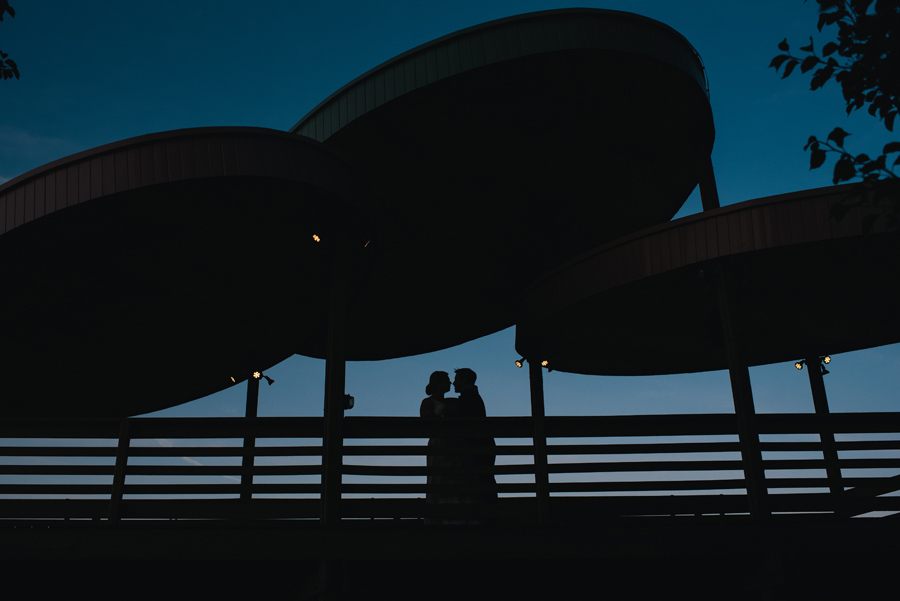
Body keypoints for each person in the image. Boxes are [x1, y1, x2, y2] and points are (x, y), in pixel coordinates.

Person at [451, 368, 498, 513]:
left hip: (477, 446)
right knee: (484, 479)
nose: (454, 383)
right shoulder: (471, 397)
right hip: (482, 445)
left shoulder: (468, 398)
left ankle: (487, 513)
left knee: (481, 479)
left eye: (457, 379)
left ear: (464, 380)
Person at [419, 371, 459, 520]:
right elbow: (425, 424)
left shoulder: (451, 402)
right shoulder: (428, 402)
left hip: (452, 443)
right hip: (440, 442)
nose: (450, 383)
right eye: (447, 380)